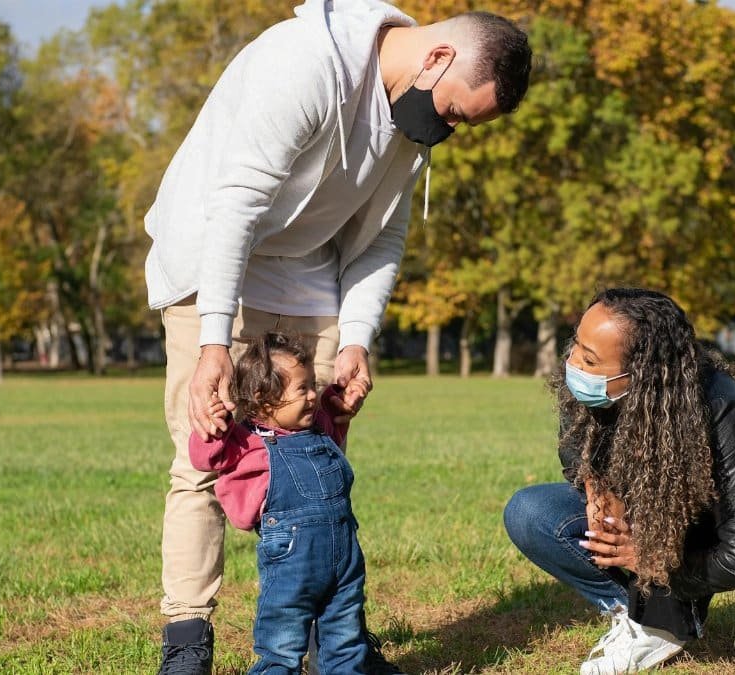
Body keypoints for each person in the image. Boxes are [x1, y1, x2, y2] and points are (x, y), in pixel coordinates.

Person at [143, 1, 532, 672]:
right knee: (201, 457)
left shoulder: (412, 122)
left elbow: (383, 234)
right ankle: (188, 640)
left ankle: (332, 635)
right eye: (455, 114)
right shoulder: (306, 64)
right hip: (215, 261)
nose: (447, 131)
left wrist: (356, 336)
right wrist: (215, 340)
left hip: (306, 276)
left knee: (317, 462)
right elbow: (235, 204)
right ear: (437, 58)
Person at [503, 288, 735, 675]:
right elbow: (575, 459)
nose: (573, 364)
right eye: (577, 346)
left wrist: (653, 562)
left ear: (643, 373)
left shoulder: (717, 404)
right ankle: (651, 622)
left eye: (590, 358)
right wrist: (598, 490)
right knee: (529, 512)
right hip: (662, 528)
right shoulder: (587, 395)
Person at [190, 332, 370, 673]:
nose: (313, 395)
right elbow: (205, 458)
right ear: (264, 398)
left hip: (345, 563)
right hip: (291, 568)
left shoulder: (316, 429)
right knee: (282, 647)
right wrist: (215, 425)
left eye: (313, 385)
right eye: (302, 389)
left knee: (346, 641)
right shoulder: (246, 442)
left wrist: (335, 398)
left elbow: (332, 417)